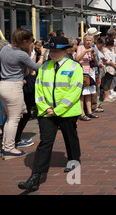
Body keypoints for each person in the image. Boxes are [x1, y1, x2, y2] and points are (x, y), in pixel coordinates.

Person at [18, 36, 83, 191]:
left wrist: (58, 110)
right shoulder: (44, 66)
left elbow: (75, 91)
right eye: (51, 50)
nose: (52, 53)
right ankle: (36, 176)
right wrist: (45, 107)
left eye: (56, 50)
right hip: (46, 112)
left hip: (67, 112)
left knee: (70, 136)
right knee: (45, 142)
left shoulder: (75, 67)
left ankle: (74, 159)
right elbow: (39, 89)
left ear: (66, 51)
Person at [0, 29, 43, 160]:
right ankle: (9, 149)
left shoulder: (5, 49)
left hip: (3, 85)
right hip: (13, 87)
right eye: (31, 41)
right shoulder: (21, 55)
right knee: (14, 119)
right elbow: (36, 67)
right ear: (24, 41)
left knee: (10, 118)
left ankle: (6, 145)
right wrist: (42, 56)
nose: (32, 43)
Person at [76, 34, 98, 121]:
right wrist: (85, 51)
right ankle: (82, 113)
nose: (89, 42)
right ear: (84, 41)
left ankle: (89, 111)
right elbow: (77, 58)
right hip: (82, 72)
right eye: (87, 40)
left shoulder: (92, 49)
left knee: (89, 93)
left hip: (90, 71)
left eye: (90, 40)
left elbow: (95, 63)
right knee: (82, 94)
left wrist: (95, 55)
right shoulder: (80, 48)